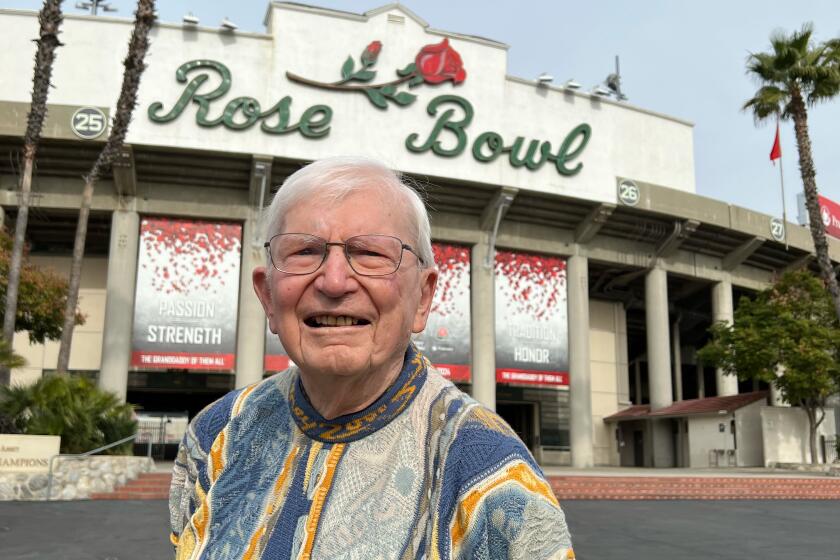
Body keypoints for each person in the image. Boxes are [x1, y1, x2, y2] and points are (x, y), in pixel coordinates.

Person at [169, 156, 575, 559]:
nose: (333, 281)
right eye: (304, 252)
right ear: (268, 296)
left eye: (370, 254)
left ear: (424, 297)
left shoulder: (489, 472)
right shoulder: (215, 436)